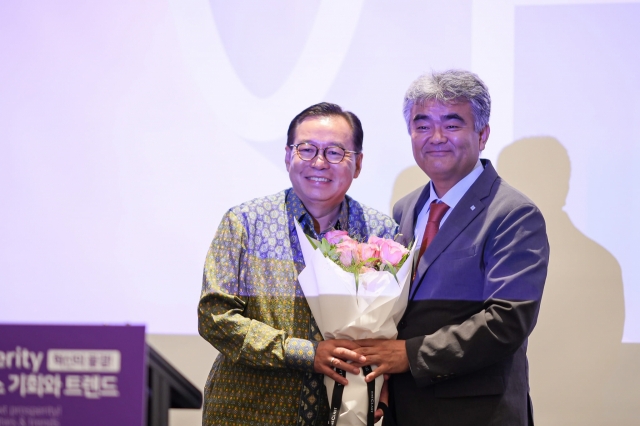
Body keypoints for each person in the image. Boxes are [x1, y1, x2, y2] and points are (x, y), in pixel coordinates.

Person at [356, 70, 550, 425]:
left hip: (477, 412)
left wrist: (410, 355)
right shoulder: (406, 209)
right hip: (406, 407)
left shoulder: (514, 214)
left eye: (452, 124)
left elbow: (507, 321)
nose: (436, 137)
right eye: (422, 125)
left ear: (483, 134)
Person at [198, 102, 398, 425]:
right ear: (288, 155)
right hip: (247, 413)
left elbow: (393, 332)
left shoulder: (381, 235)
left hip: (340, 416)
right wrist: (306, 353)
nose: (319, 163)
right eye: (307, 150)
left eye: (335, 152)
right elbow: (214, 317)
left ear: (358, 163)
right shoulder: (245, 224)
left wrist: (383, 390)